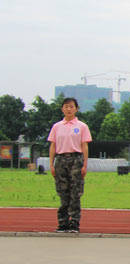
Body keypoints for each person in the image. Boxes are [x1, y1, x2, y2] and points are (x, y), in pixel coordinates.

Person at [47, 97, 92, 233]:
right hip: (61, 159)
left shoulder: (81, 126)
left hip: (76, 159)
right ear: (62, 109)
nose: (69, 109)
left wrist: (84, 164)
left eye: (71, 107)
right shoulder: (57, 126)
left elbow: (84, 146)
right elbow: (53, 146)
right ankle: (63, 222)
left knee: (75, 192)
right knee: (63, 192)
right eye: (66, 107)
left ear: (76, 109)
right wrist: (51, 164)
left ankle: (74, 222)